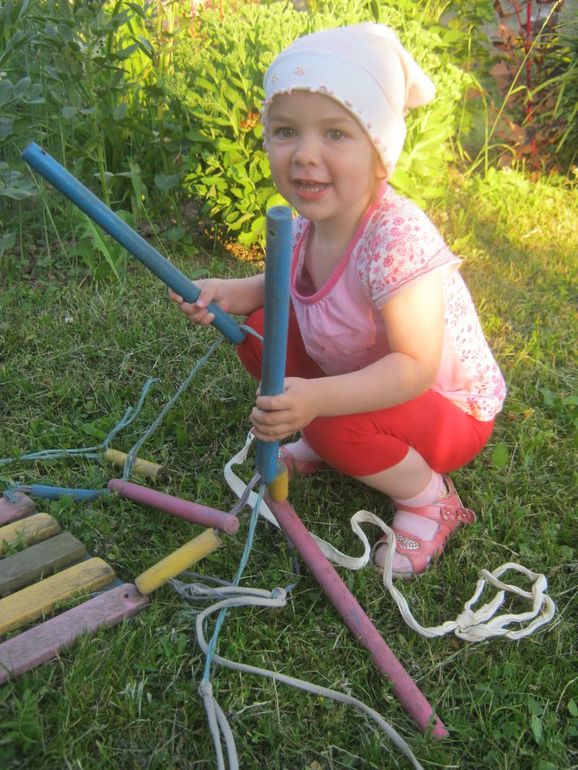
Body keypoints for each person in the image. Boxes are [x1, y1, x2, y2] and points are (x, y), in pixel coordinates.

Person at [170, 23, 506, 578]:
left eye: (335, 134)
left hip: (445, 409)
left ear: (381, 154)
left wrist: (321, 399)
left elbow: (415, 366)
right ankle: (333, 440)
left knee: (327, 420)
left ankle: (430, 498)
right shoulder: (313, 221)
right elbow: (284, 287)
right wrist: (223, 292)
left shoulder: (395, 239)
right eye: (286, 131)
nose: (305, 154)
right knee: (260, 329)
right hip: (368, 372)